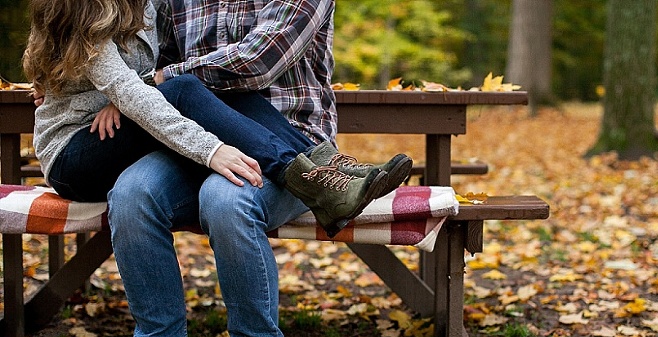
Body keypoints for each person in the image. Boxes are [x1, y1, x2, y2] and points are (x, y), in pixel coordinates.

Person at [27, 0, 412, 337]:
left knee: (226, 200)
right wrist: (116, 91)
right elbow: (136, 57)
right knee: (132, 194)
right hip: (189, 139)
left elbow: (256, 63)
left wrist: (153, 83)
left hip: (283, 134)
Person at [23, 0, 412, 237]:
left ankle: (330, 169)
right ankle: (316, 182)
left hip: (126, 125)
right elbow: (129, 86)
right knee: (185, 89)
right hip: (77, 156)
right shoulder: (85, 18)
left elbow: (244, 64)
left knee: (222, 88)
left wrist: (138, 88)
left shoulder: (144, 6)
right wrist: (212, 149)